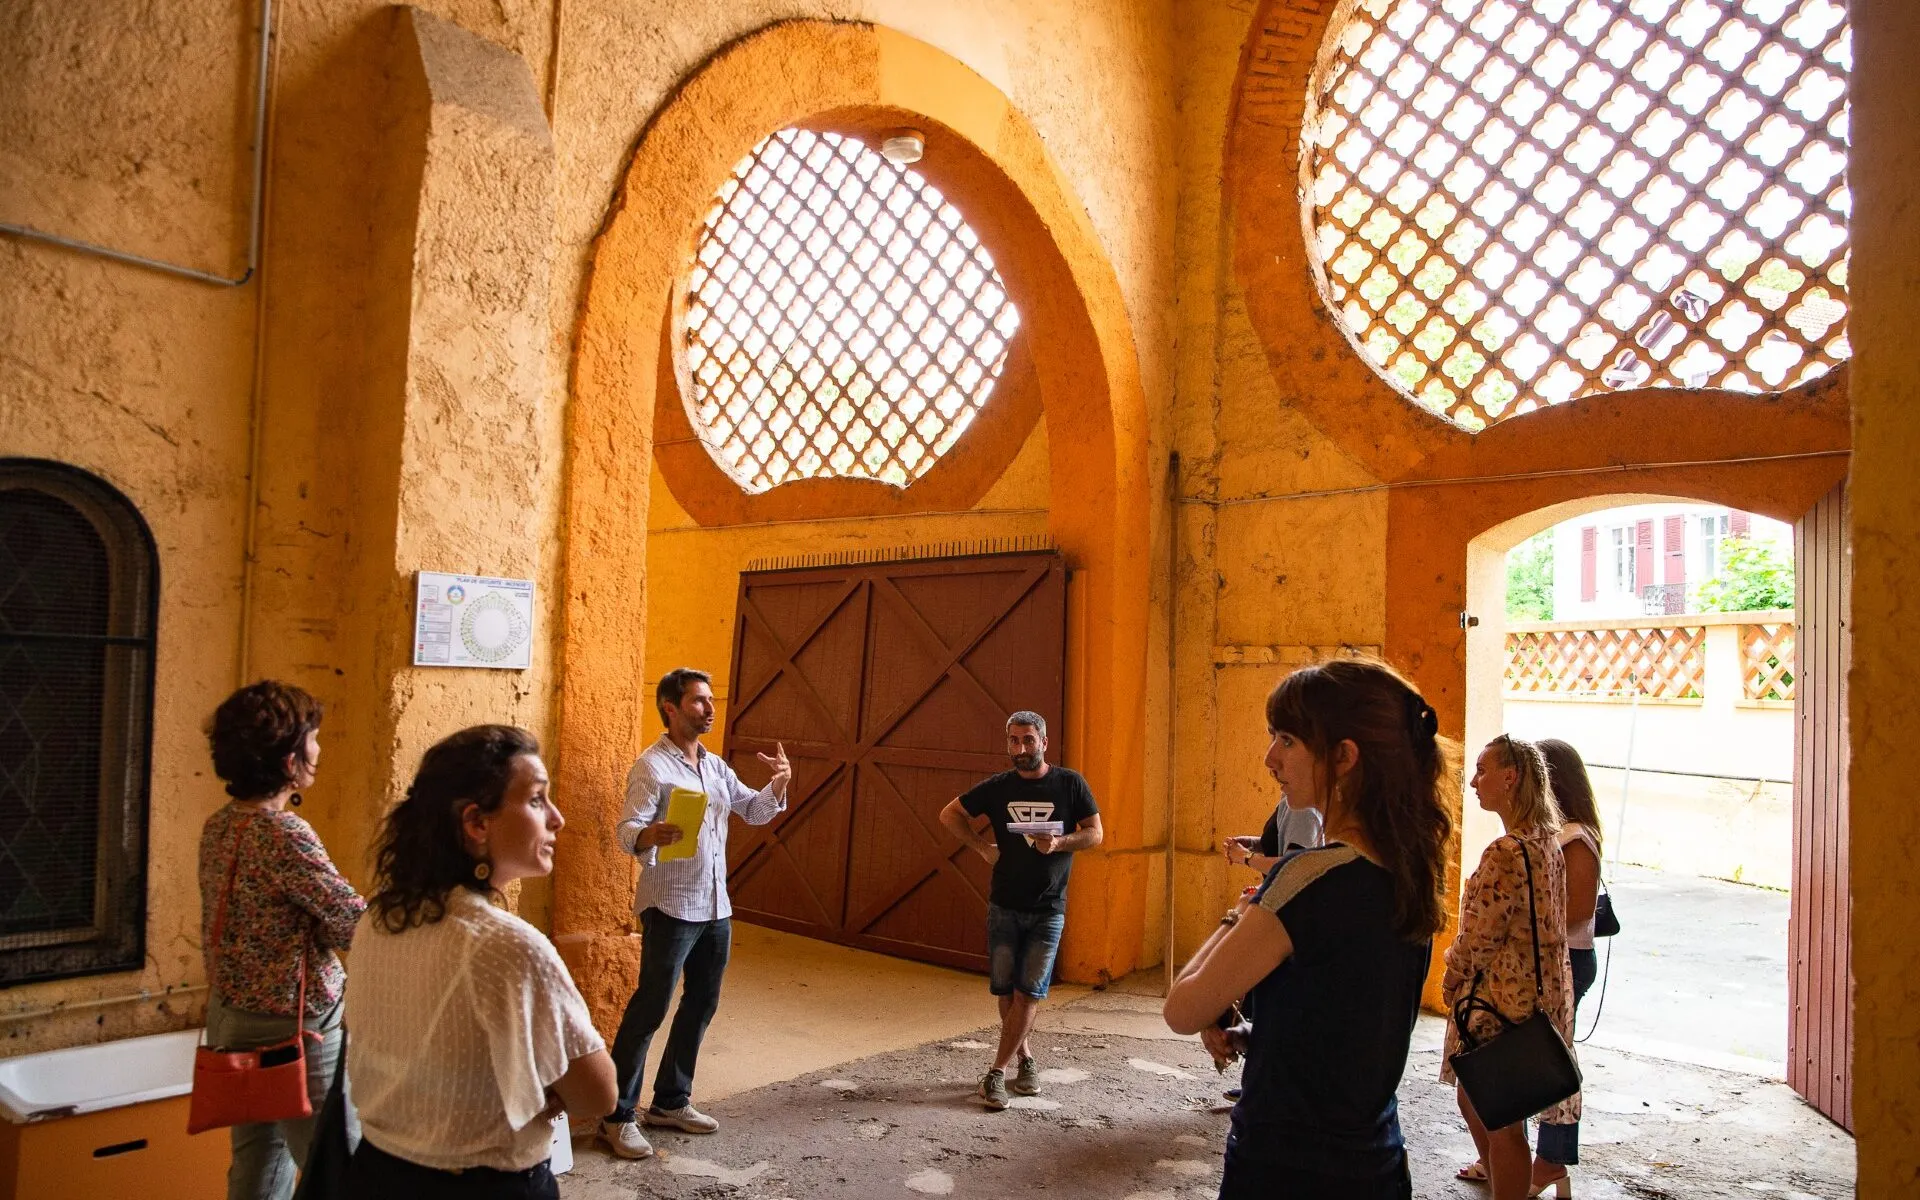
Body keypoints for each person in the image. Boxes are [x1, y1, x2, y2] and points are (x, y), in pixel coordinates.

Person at [1163, 657, 1453, 1199]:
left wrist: (1240, 914)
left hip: (1287, 1164)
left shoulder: (1311, 876)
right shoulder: (1408, 872)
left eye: (1288, 740)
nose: (1271, 757)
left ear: (1344, 757)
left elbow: (1184, 1009)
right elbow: (1349, 1020)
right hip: (1374, 1160)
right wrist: (1263, 1034)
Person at [345, 725, 617, 1198]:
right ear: (477, 823)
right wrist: (543, 1089)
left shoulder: (377, 920)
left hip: (375, 1172)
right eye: (536, 800)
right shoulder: (508, 946)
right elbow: (597, 1094)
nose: (557, 818)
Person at [600, 668, 791, 1158]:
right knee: (651, 1008)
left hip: (715, 906)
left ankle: (669, 1101)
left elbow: (752, 810)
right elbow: (626, 830)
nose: (709, 709)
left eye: (710, 701)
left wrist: (779, 783)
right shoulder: (651, 767)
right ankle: (616, 1115)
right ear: (670, 707)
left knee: (702, 1003)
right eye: (699, 701)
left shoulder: (715, 765)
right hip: (670, 905)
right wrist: (650, 834)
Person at [198, 681, 365, 1200]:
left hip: (232, 1019)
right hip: (296, 1029)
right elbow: (351, 924)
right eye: (312, 739)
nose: (319, 750)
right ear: (288, 757)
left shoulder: (220, 826)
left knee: (256, 1169)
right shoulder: (286, 834)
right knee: (338, 1173)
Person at [938, 710, 1103, 1111]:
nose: (1021, 748)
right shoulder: (998, 787)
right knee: (1008, 990)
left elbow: (1096, 833)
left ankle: (995, 1073)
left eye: (1029, 740)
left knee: (1030, 992)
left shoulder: (1069, 783)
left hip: (1048, 908)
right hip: (1004, 906)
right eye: (1014, 741)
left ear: (1044, 742)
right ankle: (1026, 1060)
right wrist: (981, 848)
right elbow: (949, 814)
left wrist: (1059, 844)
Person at [1444, 735, 1580, 1200]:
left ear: (1511, 777)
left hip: (1501, 998)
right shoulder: (1546, 842)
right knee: (1482, 1101)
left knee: (1499, 1117)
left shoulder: (1507, 851)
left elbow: (1480, 936)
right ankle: (1513, 1183)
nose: (1475, 781)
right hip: (1534, 995)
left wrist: (1450, 974)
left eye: (1483, 770)